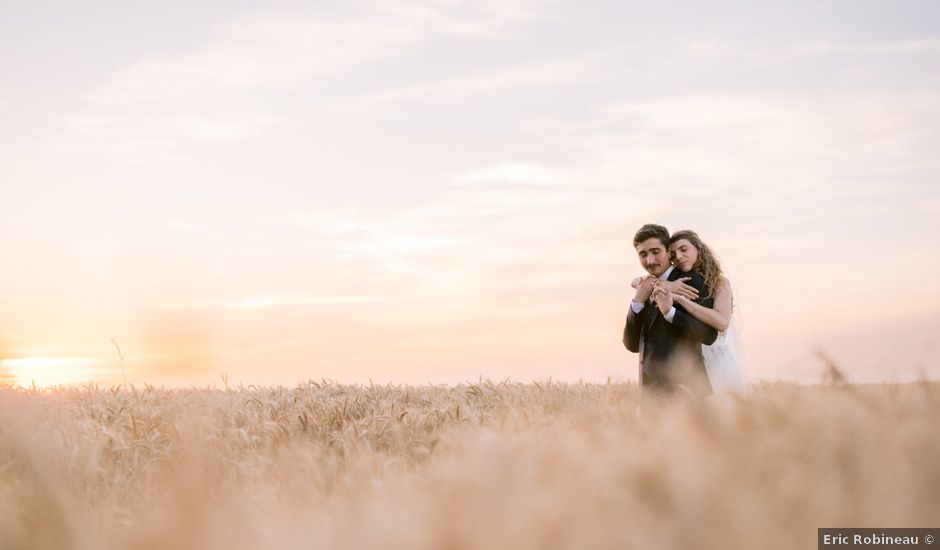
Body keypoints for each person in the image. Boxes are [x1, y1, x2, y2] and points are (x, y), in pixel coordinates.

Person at [630, 229, 748, 396]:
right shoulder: (679, 280)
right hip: (694, 354)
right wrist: (665, 286)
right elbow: (636, 281)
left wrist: (680, 300)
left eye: (684, 249)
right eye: (673, 253)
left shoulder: (718, 282)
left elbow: (721, 322)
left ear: (698, 249)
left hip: (715, 356)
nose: (678, 256)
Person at [623, 224, 718, 398]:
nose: (650, 261)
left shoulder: (692, 282)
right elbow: (632, 345)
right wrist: (637, 302)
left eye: (655, 251)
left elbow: (709, 335)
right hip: (650, 397)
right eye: (643, 255)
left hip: (686, 395)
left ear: (668, 251)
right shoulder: (645, 287)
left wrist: (670, 314)